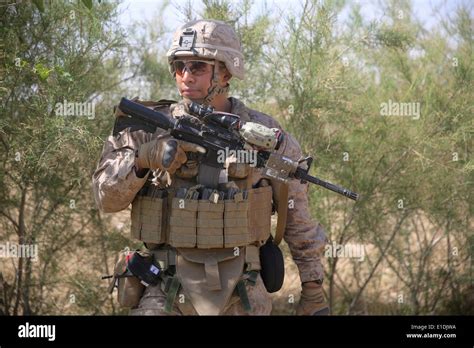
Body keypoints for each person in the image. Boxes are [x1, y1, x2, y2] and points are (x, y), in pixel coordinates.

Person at [92, 19, 328, 316]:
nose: (185, 77)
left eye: (198, 67)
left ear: (226, 71)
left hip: (242, 287)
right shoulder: (148, 127)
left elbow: (297, 215)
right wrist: (141, 159)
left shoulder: (265, 134)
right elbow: (106, 198)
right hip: (165, 285)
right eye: (179, 67)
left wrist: (313, 287)